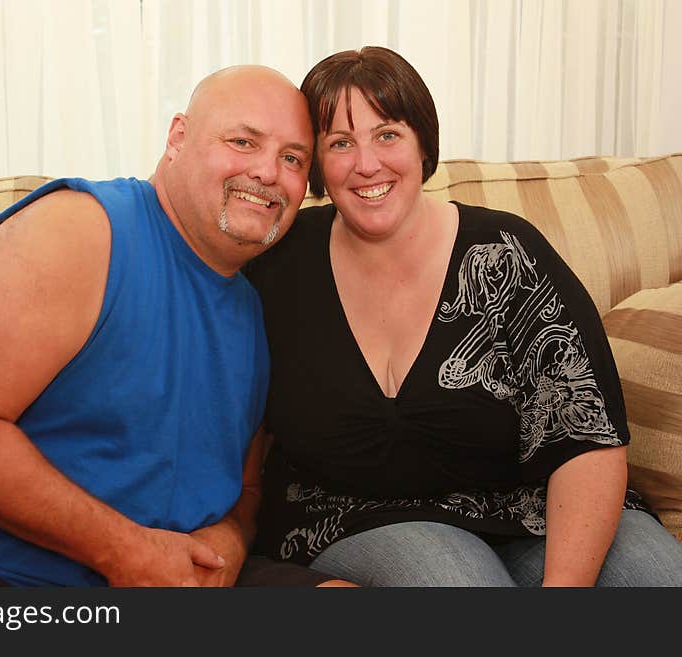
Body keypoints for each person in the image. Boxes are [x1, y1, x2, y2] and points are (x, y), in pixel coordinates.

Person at [0, 65, 336, 588]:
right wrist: (126, 552)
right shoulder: (78, 229)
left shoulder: (256, 310)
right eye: (243, 141)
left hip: (158, 579)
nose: (268, 172)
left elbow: (246, 489)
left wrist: (231, 536)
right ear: (178, 137)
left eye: (292, 158)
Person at [242, 47, 682, 586]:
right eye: (340, 143)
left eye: (387, 134)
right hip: (356, 518)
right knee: (456, 580)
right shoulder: (281, 266)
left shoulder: (507, 254)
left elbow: (586, 438)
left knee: (658, 578)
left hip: (529, 509)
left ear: (423, 142)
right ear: (315, 163)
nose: (367, 164)